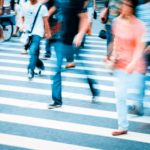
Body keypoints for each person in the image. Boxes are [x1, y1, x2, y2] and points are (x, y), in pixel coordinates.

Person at [110, 0, 146, 136]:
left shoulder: (139, 25)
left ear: (133, 7)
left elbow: (139, 46)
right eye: (122, 4)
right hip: (120, 64)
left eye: (126, 4)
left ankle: (138, 103)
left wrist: (132, 63)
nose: (123, 7)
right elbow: (116, 41)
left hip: (135, 66)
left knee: (136, 96)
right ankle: (122, 126)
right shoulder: (117, 22)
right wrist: (113, 56)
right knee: (120, 95)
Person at [48, 0, 87, 109]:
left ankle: (93, 87)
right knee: (56, 71)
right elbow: (52, 10)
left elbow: (84, 19)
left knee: (83, 70)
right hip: (59, 41)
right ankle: (57, 100)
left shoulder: (76, 2)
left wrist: (80, 34)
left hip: (73, 41)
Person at [20, 0, 51, 79]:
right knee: (34, 52)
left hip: (38, 32)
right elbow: (22, 17)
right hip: (27, 32)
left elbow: (46, 21)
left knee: (33, 50)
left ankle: (30, 70)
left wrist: (48, 32)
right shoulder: (24, 5)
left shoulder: (42, 7)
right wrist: (21, 25)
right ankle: (40, 65)